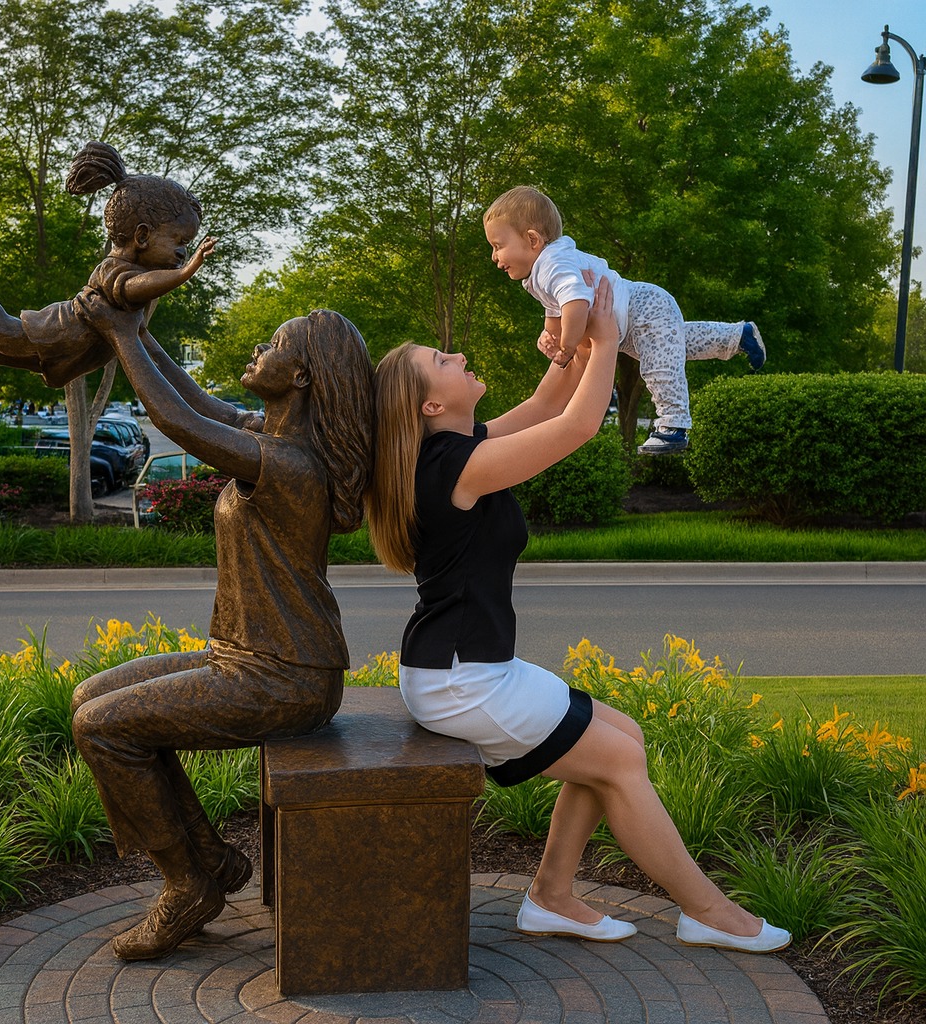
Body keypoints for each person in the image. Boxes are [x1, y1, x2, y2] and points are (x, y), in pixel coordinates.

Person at [366, 276, 790, 953]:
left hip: (467, 668)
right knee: (617, 760)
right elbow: (578, 426)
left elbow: (543, 403)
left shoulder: (454, 451)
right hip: (460, 680)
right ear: (430, 402)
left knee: (622, 740)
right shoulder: (454, 467)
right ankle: (708, 912)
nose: (453, 353)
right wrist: (609, 336)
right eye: (439, 359)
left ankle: (552, 897)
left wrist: (569, 354)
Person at [69, 301, 374, 961]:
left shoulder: (290, 463)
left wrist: (122, 336)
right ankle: (209, 858)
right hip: (244, 657)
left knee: (105, 728)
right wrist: (141, 332)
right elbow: (196, 400)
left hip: (286, 675)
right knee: (90, 698)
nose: (259, 347)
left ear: (301, 378)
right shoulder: (267, 434)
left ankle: (189, 884)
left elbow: (175, 420)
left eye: (275, 342)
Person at [483, 185, 766, 455]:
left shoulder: (553, 264)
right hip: (629, 324)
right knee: (678, 346)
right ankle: (738, 336)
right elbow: (555, 311)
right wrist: (551, 336)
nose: (495, 257)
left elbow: (574, 302)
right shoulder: (542, 271)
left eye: (498, 246)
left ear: (532, 239)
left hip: (641, 308)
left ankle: (674, 424)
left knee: (659, 367)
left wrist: (567, 346)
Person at [0, 141, 214, 388]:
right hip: (64, 328)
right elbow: (135, 288)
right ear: (142, 236)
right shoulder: (114, 269)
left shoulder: (138, 275)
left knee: (11, 349)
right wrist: (188, 271)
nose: (183, 252)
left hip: (72, 350)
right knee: (4, 333)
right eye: (180, 242)